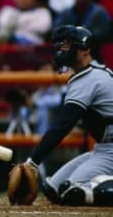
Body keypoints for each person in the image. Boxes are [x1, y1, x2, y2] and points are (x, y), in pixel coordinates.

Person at [16, 25, 113, 206]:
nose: (62, 48)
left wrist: (33, 162)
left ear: (85, 49)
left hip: (111, 149)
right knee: (53, 188)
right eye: (61, 44)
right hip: (105, 148)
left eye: (68, 44)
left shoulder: (90, 77)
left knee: (73, 192)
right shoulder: (91, 73)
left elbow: (62, 125)